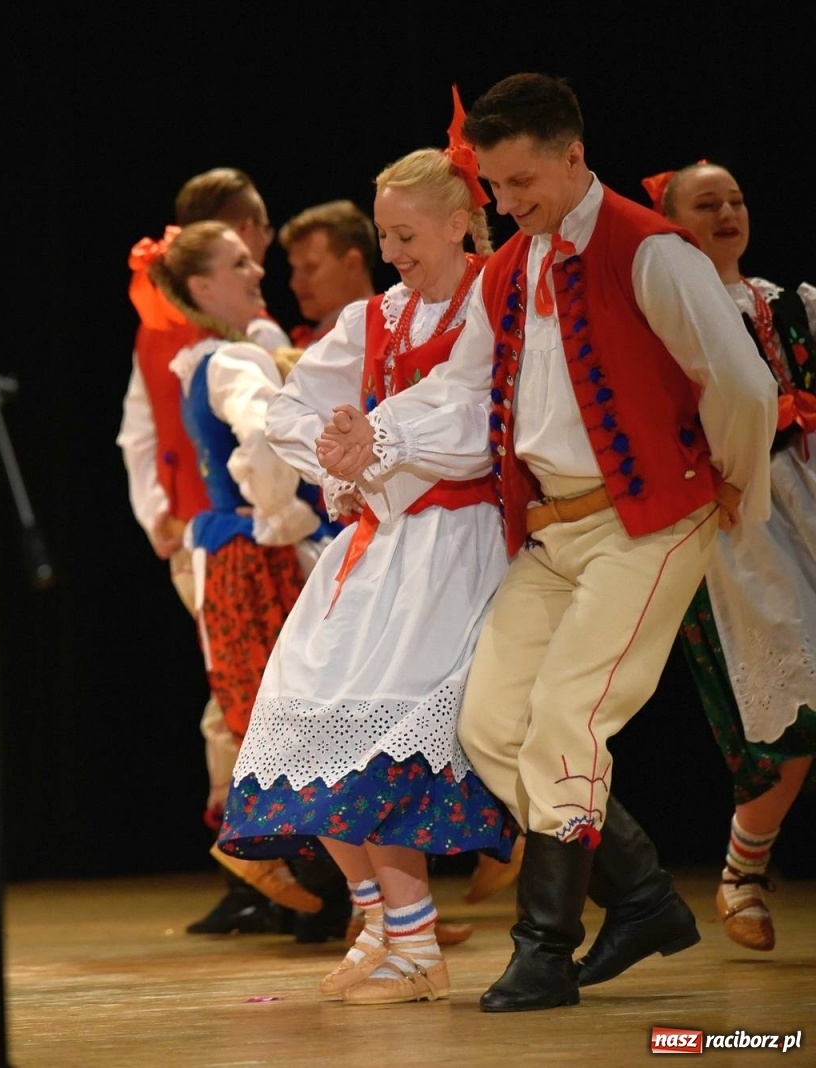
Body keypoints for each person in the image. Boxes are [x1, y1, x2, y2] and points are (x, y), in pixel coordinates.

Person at [316, 73, 778, 1012]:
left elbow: (741, 382)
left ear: (573, 157)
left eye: (521, 181)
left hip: (647, 518)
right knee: (489, 726)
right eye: (494, 185)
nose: (507, 201)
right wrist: (382, 435)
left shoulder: (650, 251)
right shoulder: (510, 268)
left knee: (568, 715)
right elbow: (460, 389)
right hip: (552, 529)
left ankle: (545, 948)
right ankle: (641, 894)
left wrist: (734, 481)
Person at [219, 120, 519, 1006]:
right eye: (385, 235)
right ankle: (380, 924)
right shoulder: (375, 317)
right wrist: (336, 455)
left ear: (460, 223)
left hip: (457, 544)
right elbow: (289, 408)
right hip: (381, 542)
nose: (392, 254)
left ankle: (416, 945)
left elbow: (473, 417)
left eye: (406, 235)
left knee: (383, 738)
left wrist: (375, 440)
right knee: (300, 713)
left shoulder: (491, 301)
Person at [117, 168, 316, 937]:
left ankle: (312, 879)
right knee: (261, 701)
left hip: (236, 537)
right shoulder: (219, 349)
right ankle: (265, 853)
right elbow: (147, 434)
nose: (260, 263)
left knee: (254, 698)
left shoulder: (248, 339)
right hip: (236, 539)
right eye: (243, 251)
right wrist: (161, 514)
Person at [646, 160, 816, 953]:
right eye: (707, 203)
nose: (728, 213)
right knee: (796, 701)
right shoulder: (669, 319)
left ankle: (744, 869)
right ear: (674, 226)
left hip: (807, 494)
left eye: (737, 200)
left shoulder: (791, 305)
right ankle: (742, 869)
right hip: (743, 516)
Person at [277, 200, 377, 346]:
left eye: (310, 268)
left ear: (352, 264)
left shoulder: (377, 338)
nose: (294, 284)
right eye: (295, 269)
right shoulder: (325, 338)